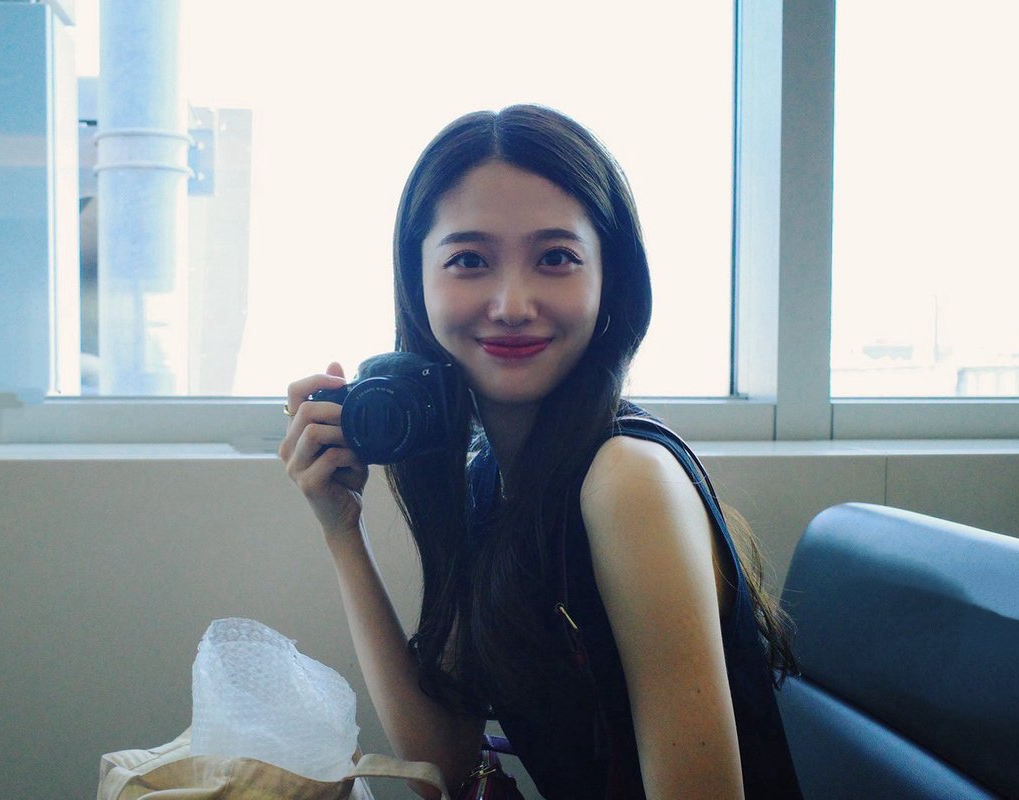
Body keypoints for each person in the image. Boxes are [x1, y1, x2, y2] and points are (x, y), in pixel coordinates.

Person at [279, 104, 803, 799]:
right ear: (418, 282)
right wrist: (342, 528)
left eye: (556, 258)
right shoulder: (491, 481)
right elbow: (445, 765)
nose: (512, 304)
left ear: (609, 278)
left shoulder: (627, 480)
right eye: (469, 260)